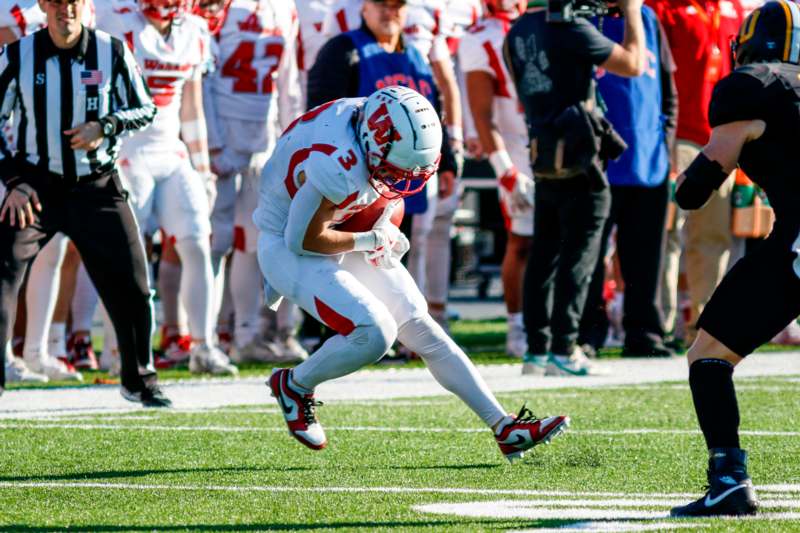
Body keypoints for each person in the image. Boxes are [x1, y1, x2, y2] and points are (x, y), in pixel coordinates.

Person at [255, 85, 569, 460]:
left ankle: (504, 427)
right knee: (375, 333)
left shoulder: (379, 127)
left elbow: (374, 190)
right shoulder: (338, 159)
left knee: (419, 323)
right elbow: (302, 239)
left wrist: (381, 221)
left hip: (341, 220)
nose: (399, 179)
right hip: (288, 241)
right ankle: (294, 384)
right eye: (394, 169)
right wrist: (372, 237)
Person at [0, 0, 169, 406]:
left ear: (85, 6)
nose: (66, 10)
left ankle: (138, 378)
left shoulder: (111, 50)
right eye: (56, 2)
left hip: (97, 185)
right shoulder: (17, 54)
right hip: (36, 187)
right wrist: (14, 181)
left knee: (133, 283)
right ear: (43, 5)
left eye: (73, 1)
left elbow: (146, 107)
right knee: (2, 273)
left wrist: (106, 126)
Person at [669, 0, 800, 516]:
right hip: (789, 236)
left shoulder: (750, 86)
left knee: (708, 355)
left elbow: (699, 186)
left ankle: (728, 479)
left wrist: (681, 184)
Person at [504, 0, 646, 376]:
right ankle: (565, 351)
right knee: (579, 257)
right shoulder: (569, 27)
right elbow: (634, 64)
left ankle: (536, 351)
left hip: (543, 151)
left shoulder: (515, 30)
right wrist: (633, 10)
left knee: (544, 254)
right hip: (581, 155)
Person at [97, 0, 239, 376]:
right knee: (127, 255)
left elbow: (191, 108)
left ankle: (203, 346)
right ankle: (118, 350)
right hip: (128, 152)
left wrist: (203, 168)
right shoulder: (118, 21)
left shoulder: (192, 29)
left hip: (171, 153)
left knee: (197, 243)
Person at [193, 0, 307, 364]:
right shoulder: (221, 6)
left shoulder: (285, 8)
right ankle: (203, 338)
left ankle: (244, 334)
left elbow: (286, 82)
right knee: (214, 240)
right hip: (223, 137)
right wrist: (211, 141)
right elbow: (202, 79)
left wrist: (293, 139)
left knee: (253, 240)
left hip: (263, 140)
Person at [577, 4, 678, 358]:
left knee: (646, 254)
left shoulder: (648, 19)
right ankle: (587, 334)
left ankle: (644, 332)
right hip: (599, 160)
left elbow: (668, 89)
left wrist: (665, 144)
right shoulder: (583, 20)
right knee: (590, 255)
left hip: (648, 157)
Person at [648, 0, 744, 348]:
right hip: (677, 134)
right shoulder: (663, 7)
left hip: (721, 136)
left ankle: (703, 329)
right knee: (668, 232)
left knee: (713, 235)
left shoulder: (732, 8)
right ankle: (660, 323)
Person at [460, 0, 534, 359]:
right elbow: (482, 109)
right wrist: (504, 167)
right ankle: (517, 326)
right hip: (517, 147)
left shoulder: (541, 23)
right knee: (522, 240)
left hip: (553, 140)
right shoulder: (482, 35)